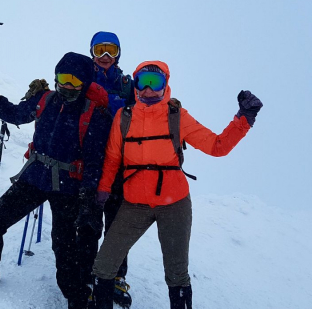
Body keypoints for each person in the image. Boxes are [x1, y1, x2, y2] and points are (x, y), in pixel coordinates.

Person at [91, 61, 263, 309]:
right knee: (104, 265)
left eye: (156, 83)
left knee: (176, 273)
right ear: (136, 85)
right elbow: (112, 158)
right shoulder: (124, 117)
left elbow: (217, 146)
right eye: (143, 82)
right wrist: (103, 189)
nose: (149, 90)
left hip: (174, 204)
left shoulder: (177, 116)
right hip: (135, 203)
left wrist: (244, 119)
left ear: (165, 85)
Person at [0, 52, 113, 309]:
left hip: (69, 189)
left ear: (85, 82)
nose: (67, 85)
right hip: (34, 178)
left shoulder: (93, 115)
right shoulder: (45, 100)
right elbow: (15, 114)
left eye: (75, 81)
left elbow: (95, 161)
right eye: (63, 78)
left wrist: (88, 197)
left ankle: (76, 296)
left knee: (64, 249)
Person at [76, 31, 135, 308]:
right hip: (90, 162)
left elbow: (149, 106)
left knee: (117, 223)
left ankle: (115, 275)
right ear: (91, 52)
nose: (106, 57)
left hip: (121, 163)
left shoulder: (128, 85)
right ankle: (87, 275)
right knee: (88, 222)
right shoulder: (82, 78)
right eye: (100, 50)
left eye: (111, 50)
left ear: (119, 53)